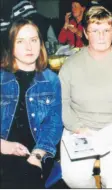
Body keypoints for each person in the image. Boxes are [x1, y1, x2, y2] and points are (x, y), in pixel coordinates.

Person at [59, 6, 112, 188]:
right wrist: (77, 127)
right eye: (95, 31)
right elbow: (63, 103)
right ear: (86, 33)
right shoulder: (71, 64)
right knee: (75, 177)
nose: (102, 36)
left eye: (106, 30)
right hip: (81, 131)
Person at [0, 18, 63, 188]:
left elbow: (54, 125)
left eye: (34, 40)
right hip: (3, 148)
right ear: (11, 45)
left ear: (41, 44)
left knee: (24, 176)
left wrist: (37, 155)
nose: (29, 47)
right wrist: (3, 146)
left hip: (36, 151)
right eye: (20, 41)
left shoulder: (52, 80)